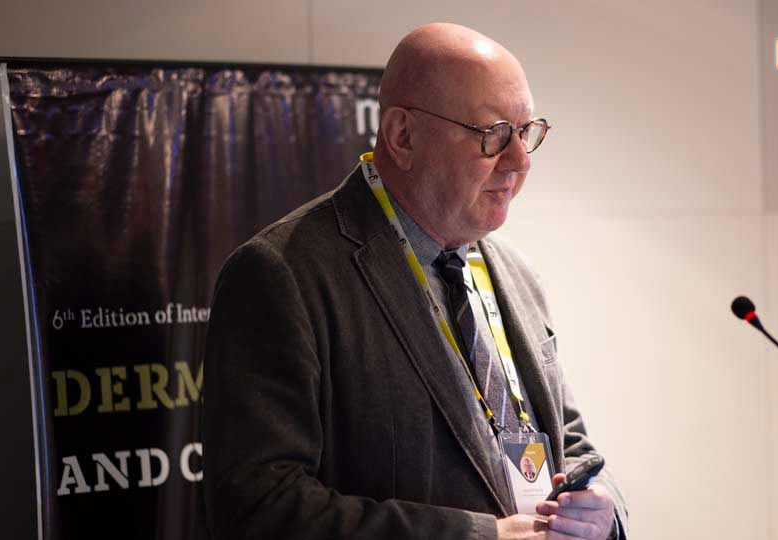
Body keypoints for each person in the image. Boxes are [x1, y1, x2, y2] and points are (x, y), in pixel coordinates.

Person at [203, 22, 629, 540]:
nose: (519, 161)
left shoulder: (517, 273)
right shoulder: (282, 274)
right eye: (494, 134)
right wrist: (481, 536)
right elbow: (260, 508)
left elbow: (572, 444)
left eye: (527, 132)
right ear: (403, 136)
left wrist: (603, 508)